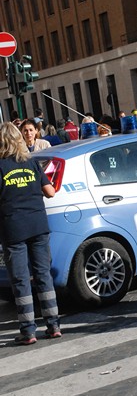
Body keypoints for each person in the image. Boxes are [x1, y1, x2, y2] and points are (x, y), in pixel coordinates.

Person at [0, 122, 62, 344]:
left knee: (20, 279)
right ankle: (53, 325)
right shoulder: (32, 163)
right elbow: (51, 192)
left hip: (13, 229)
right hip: (38, 225)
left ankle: (28, 330)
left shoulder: (0, 166)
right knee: (43, 274)